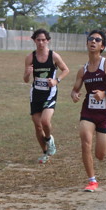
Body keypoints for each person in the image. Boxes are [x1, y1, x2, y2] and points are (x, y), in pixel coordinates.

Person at [71, 29, 106, 191]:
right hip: (88, 112)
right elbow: (75, 89)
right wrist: (74, 94)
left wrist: (105, 93)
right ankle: (92, 181)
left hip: (105, 114)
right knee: (85, 142)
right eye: (91, 39)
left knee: (100, 155)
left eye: (97, 40)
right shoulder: (83, 70)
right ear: (87, 43)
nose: (93, 41)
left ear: (102, 46)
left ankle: (95, 173)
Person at [23, 29, 70, 164]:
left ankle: (49, 139)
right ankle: (45, 152)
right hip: (36, 94)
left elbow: (66, 69)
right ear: (34, 40)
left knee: (45, 121)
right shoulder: (30, 57)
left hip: (50, 93)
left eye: (43, 40)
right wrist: (27, 73)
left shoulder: (53, 56)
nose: (41, 42)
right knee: (38, 127)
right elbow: (26, 80)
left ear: (48, 41)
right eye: (38, 40)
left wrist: (56, 80)